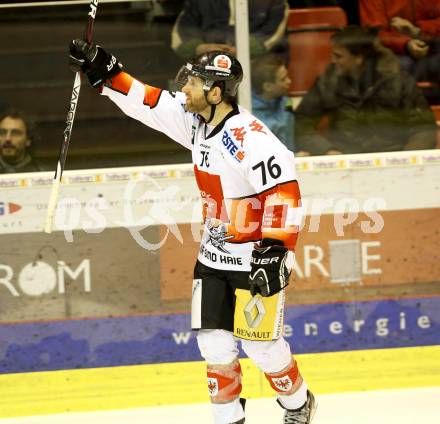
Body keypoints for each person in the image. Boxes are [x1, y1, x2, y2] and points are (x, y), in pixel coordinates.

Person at [69, 38, 316, 424]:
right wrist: (104, 70)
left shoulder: (250, 138)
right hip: (213, 259)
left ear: (215, 92)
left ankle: (298, 402)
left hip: (256, 261)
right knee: (214, 347)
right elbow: (148, 101)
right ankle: (228, 418)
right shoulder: (195, 122)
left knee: (263, 350)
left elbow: (284, 191)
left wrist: (276, 250)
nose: (184, 87)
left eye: (194, 82)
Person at [294, 25, 437, 155]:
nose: (332, 60)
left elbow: (424, 128)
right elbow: (300, 123)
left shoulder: (400, 82)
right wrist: (327, 149)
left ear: (359, 58)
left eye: (338, 56)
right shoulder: (328, 82)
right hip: (345, 161)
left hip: (393, 159)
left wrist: (406, 159)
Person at [359, 0, 440, 93]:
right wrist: (406, 43)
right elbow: (375, 32)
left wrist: (417, 30)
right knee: (403, 66)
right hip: (394, 51)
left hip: (430, 44)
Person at [171, 0, 289, 60]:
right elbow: (181, 34)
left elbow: (273, 31)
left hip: (257, 71)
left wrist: (244, 50)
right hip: (208, 65)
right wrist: (199, 48)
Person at [251, 54, 309, 156]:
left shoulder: (286, 101)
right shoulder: (249, 114)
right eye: (283, 79)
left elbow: (292, 130)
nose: (289, 81)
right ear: (268, 86)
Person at [0, 108, 45, 173]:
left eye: (15, 133)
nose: (8, 138)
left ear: (28, 140)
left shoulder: (42, 173)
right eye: (2, 132)